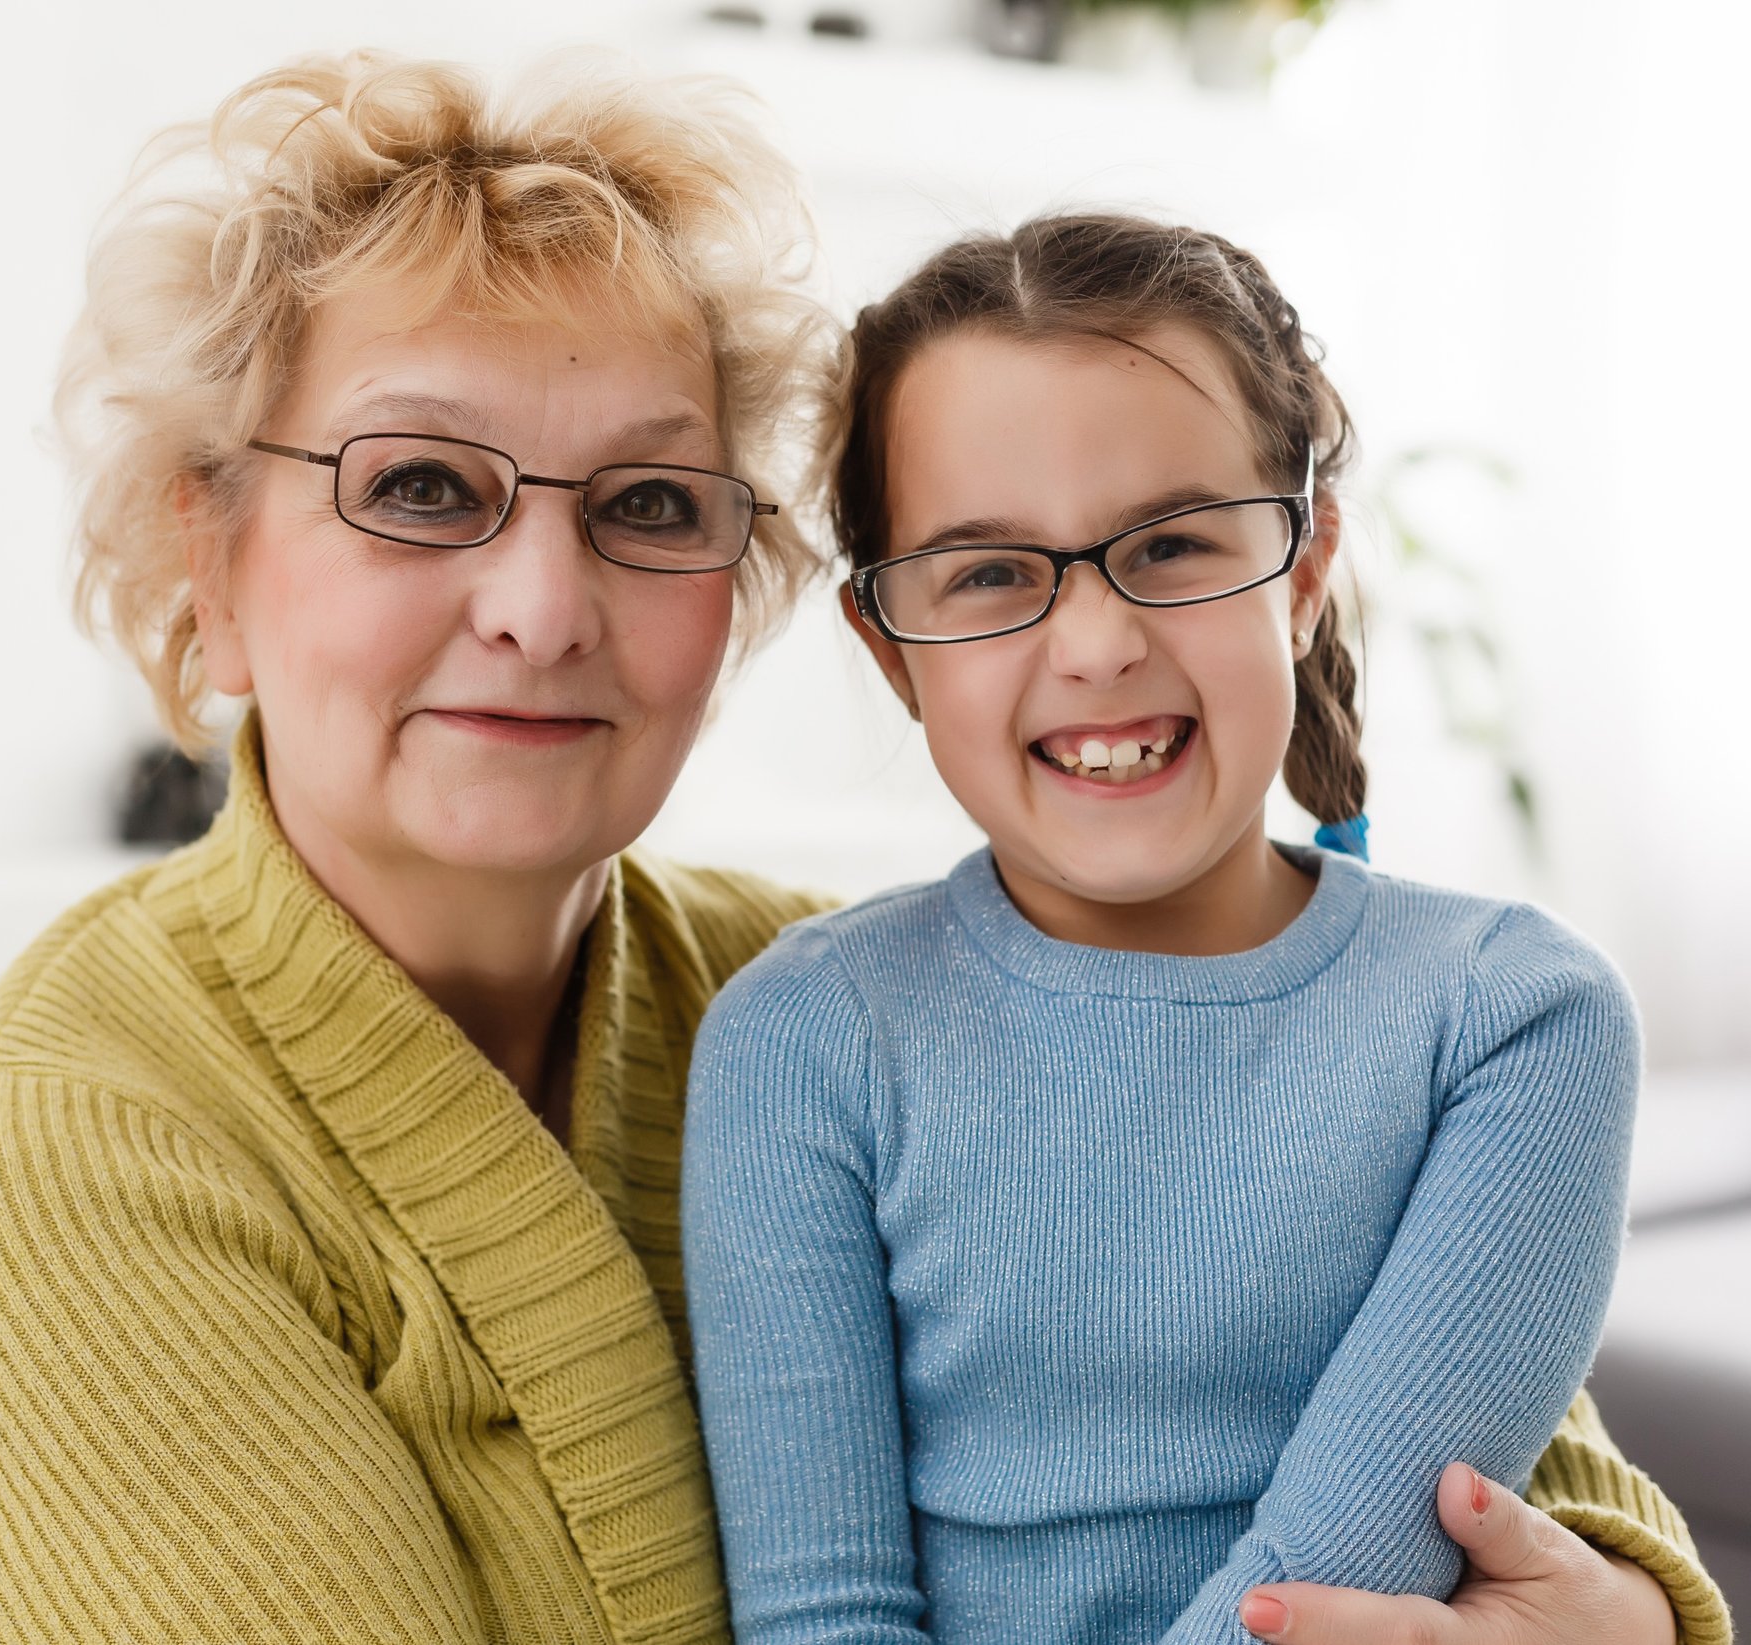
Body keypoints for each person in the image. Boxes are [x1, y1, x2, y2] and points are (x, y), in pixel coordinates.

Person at [0, 54, 1726, 1645]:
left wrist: (1626, 1609)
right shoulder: (51, 1176)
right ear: (199, 560)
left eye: (647, 499)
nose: (544, 604)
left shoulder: (814, 986)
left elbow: (1456, 1415)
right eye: (419, 488)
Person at [681, 213, 1735, 1645]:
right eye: (988, 571)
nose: (1098, 641)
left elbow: (1341, 1556)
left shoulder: (1518, 1019)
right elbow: (825, 1615)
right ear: (892, 647)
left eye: (1172, 543)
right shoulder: (801, 1038)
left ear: (1304, 575)